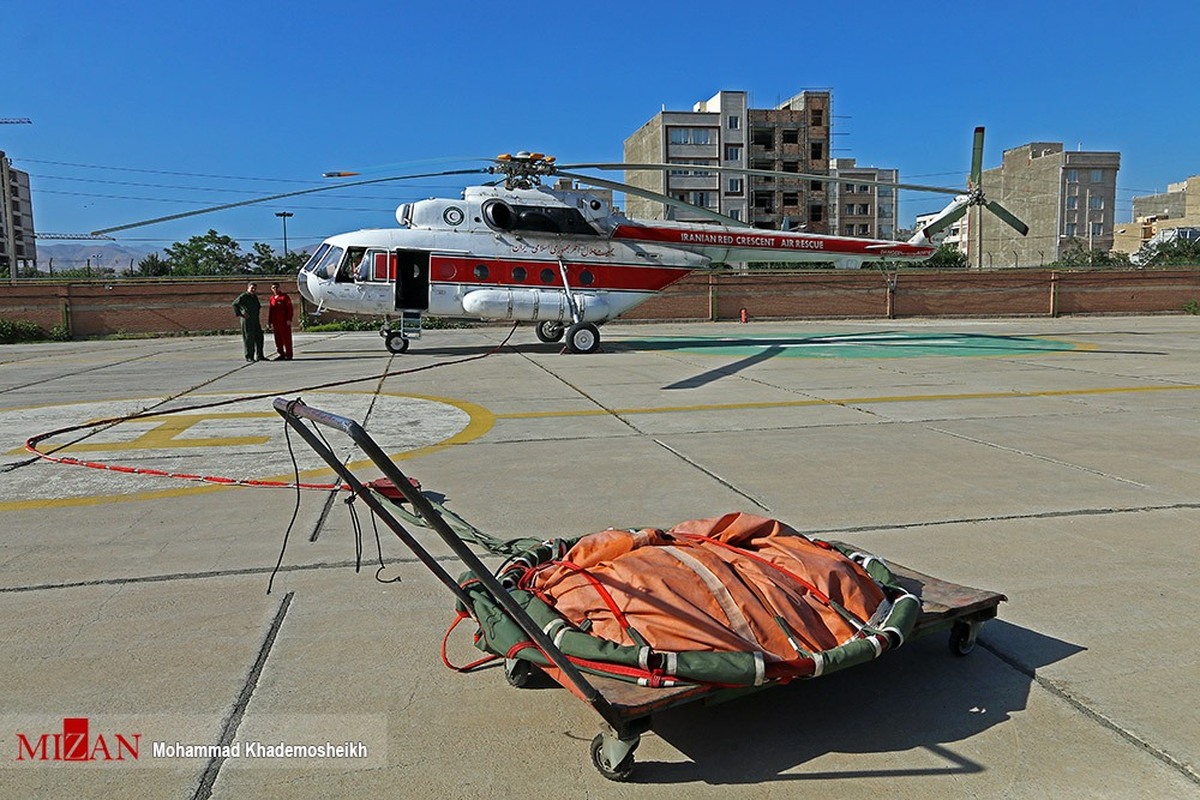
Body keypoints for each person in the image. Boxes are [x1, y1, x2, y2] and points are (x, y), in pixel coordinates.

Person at [232, 282, 266, 362]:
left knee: (259, 337)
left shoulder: (254, 297)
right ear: (248, 288)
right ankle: (249, 356)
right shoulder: (244, 296)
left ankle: (260, 355)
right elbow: (235, 304)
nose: (253, 290)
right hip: (247, 321)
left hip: (255, 320)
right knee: (249, 338)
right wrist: (241, 313)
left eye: (255, 288)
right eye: (252, 288)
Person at [268, 282, 294, 360]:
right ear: (271, 289)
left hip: (284, 322)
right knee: (278, 339)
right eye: (273, 288)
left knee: (286, 339)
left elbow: (290, 309)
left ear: (279, 288)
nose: (275, 289)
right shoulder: (272, 298)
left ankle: (288, 354)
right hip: (275, 322)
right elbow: (271, 311)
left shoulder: (284, 297)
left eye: (276, 287)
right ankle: (281, 354)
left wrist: (289, 319)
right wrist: (269, 322)